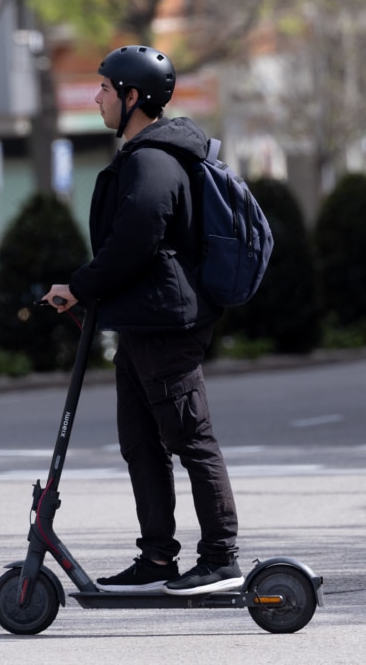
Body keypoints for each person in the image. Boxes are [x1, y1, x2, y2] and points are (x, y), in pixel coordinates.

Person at [43, 45, 242, 597]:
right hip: (139, 322)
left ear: (133, 97)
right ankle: (157, 556)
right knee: (140, 441)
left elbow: (135, 241)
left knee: (190, 438)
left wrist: (79, 286)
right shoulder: (143, 155)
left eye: (106, 88)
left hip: (166, 323)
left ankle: (221, 557)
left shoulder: (154, 162)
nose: (98, 96)